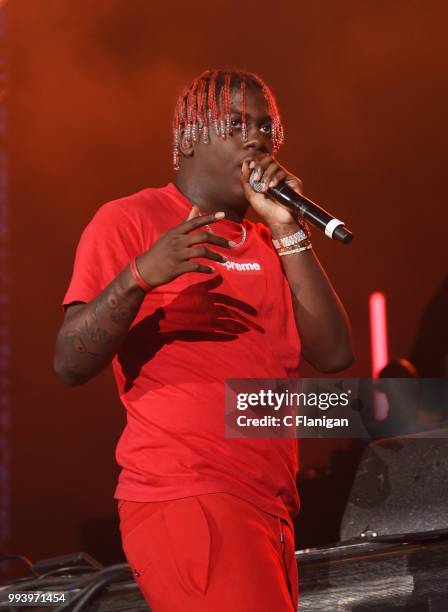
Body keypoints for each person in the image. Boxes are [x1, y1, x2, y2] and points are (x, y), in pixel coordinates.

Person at [54, 69, 353, 612]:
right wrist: (140, 275)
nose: (257, 137)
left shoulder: (269, 238)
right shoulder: (131, 219)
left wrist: (288, 228)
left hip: (272, 506)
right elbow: (69, 360)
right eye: (237, 122)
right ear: (191, 136)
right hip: (187, 496)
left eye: (265, 125)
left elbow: (334, 354)